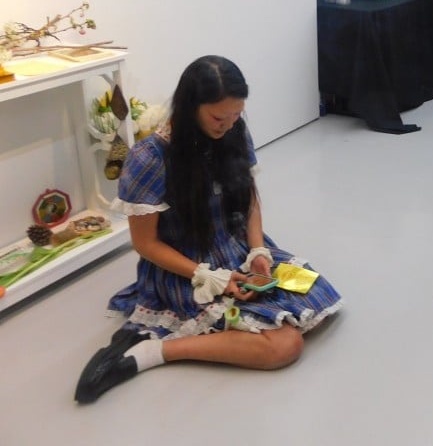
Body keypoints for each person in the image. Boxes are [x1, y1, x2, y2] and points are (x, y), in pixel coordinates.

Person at [74, 56, 342, 404]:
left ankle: (164, 340)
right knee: (284, 345)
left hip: (234, 250)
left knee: (319, 302)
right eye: (219, 117)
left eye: (236, 115)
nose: (229, 125)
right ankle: (153, 351)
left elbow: (248, 200)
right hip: (185, 267)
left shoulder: (233, 132)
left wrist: (258, 250)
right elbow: (145, 244)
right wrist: (206, 275)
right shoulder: (149, 158)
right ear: (190, 108)